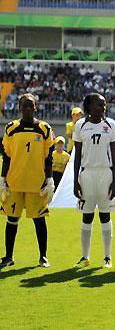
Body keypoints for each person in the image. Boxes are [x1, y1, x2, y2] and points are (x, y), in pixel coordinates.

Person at [0, 94, 54, 269]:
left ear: (36, 107)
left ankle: (43, 257)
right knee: (12, 219)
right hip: (14, 182)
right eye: (25, 106)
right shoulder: (11, 128)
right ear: (19, 108)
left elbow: (49, 158)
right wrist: (2, 179)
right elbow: (6, 157)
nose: (28, 109)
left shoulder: (44, 128)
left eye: (31, 106)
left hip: (36, 183)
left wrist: (50, 179)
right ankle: (8, 257)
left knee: (39, 220)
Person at [72, 93, 115, 269]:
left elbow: (114, 156)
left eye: (104, 104)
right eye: (99, 104)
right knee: (87, 215)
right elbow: (77, 156)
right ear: (90, 107)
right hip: (87, 174)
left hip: (105, 174)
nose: (103, 107)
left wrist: (114, 181)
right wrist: (76, 180)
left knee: (105, 215)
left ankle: (107, 257)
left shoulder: (110, 124)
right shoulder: (80, 125)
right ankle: (85, 257)